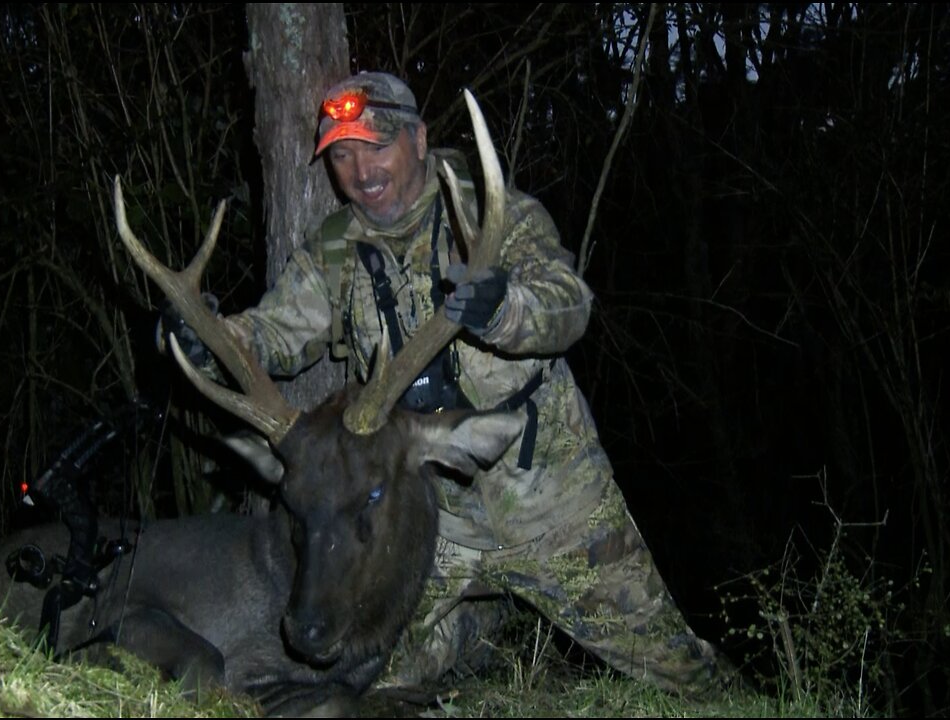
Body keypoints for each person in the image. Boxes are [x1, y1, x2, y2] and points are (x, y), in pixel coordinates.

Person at [161, 71, 733, 696]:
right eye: (343, 156)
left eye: (377, 147)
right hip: (436, 529)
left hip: (552, 503)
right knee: (369, 684)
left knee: (686, 680)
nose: (361, 170)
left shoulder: (494, 216)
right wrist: (209, 340)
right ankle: (480, 626)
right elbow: (272, 332)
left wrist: (503, 308)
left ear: (419, 139)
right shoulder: (333, 252)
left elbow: (571, 304)